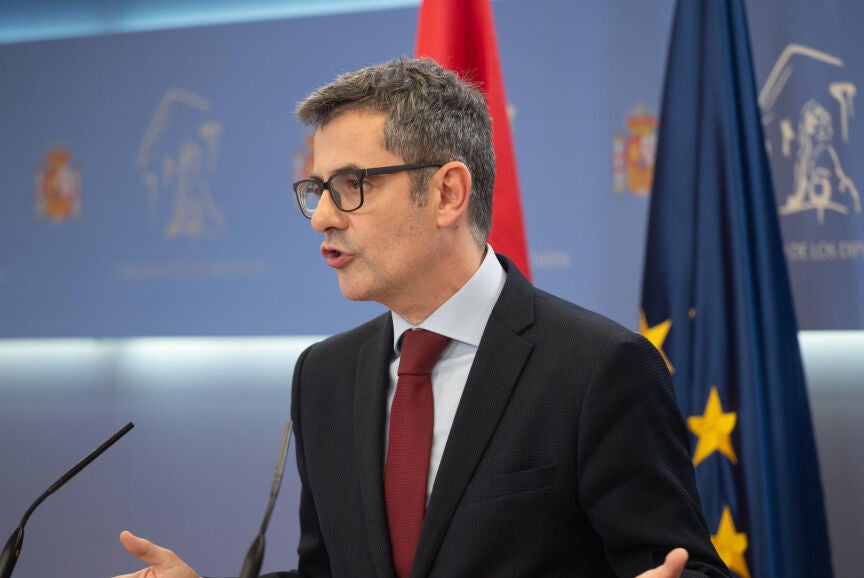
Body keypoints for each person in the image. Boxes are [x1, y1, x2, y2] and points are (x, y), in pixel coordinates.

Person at [115, 57, 730, 578]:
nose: (322, 216)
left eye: (351, 184)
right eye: (318, 189)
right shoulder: (324, 375)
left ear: (447, 194)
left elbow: (684, 566)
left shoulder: (599, 368)